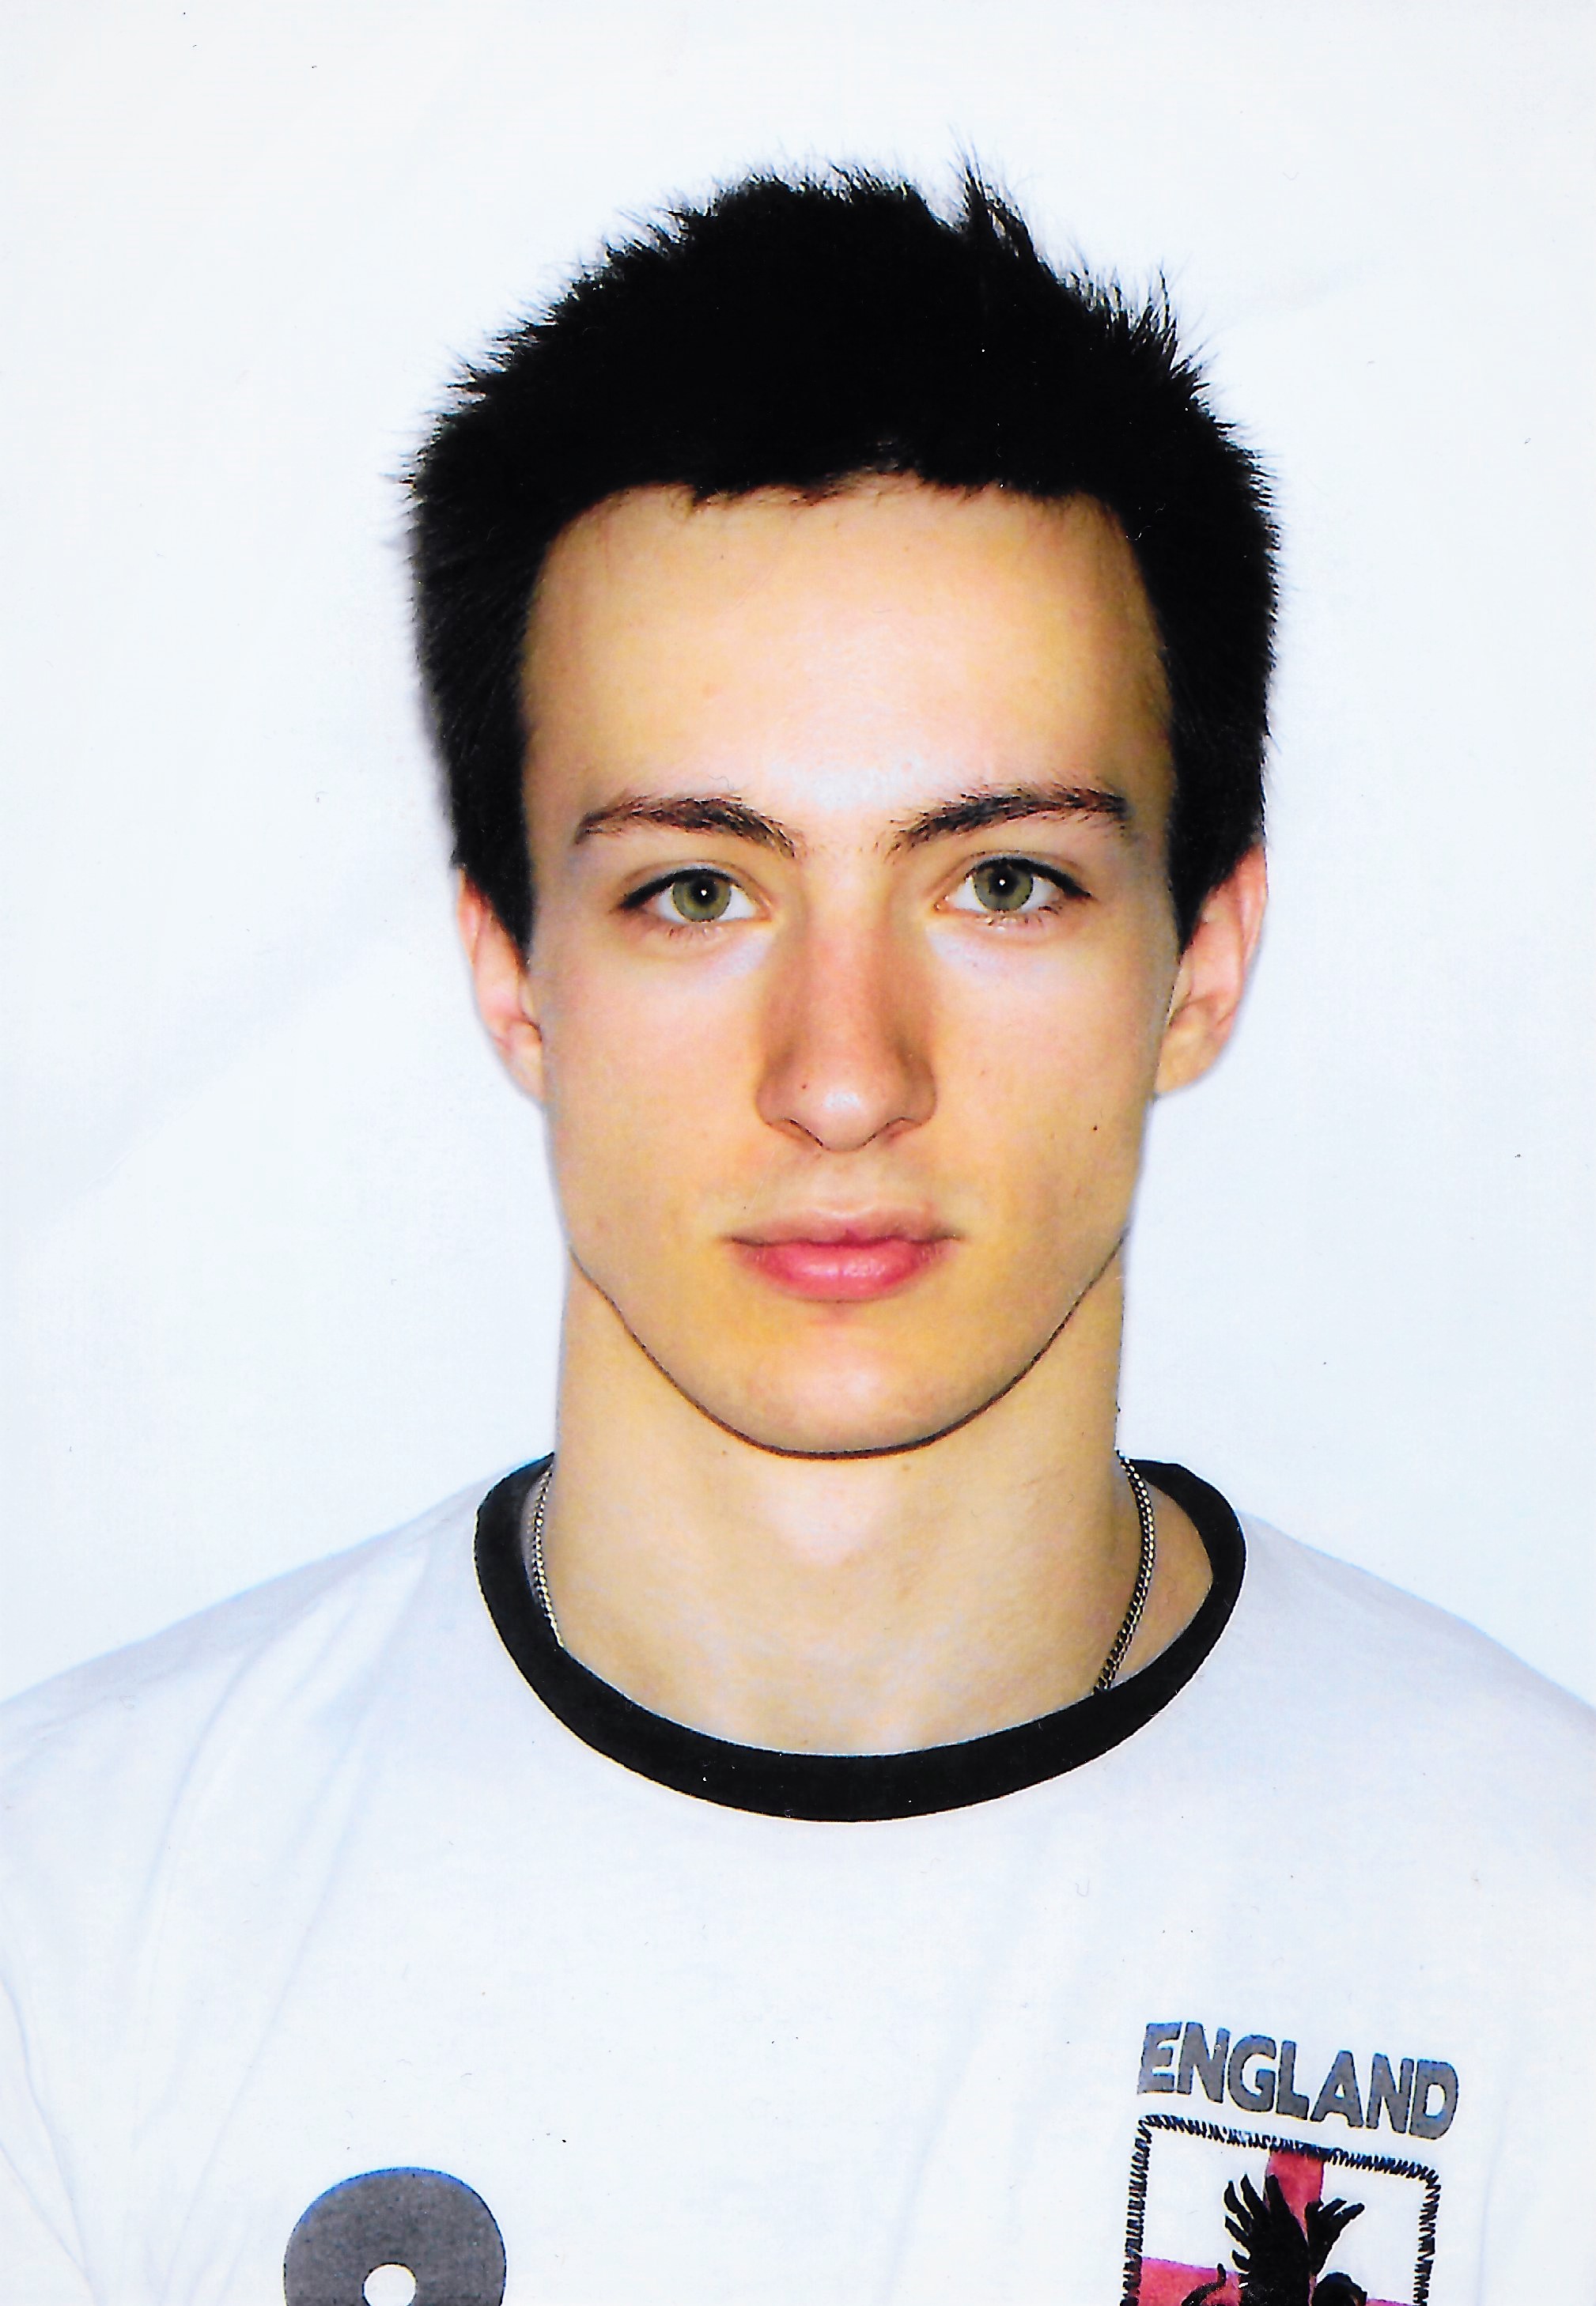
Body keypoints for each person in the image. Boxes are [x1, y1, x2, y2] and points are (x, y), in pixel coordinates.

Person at [0, 168, 1587, 2306]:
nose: (844, 1077)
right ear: (512, 972)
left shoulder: (1548, 1940)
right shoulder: (69, 1917)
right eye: (696, 890)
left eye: (1002, 881)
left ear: (1202, 961)